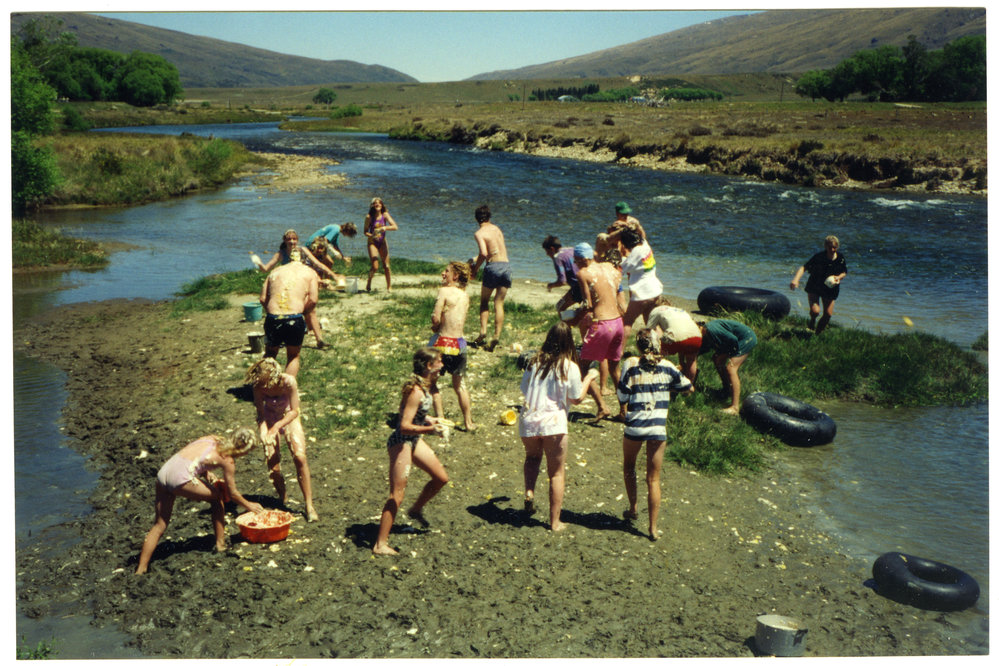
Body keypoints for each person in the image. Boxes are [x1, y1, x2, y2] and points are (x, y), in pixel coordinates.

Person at [136, 428, 264, 574]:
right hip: (179, 478)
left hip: (164, 473)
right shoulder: (228, 460)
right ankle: (220, 544)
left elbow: (196, 456)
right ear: (242, 448)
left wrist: (206, 472)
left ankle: (141, 569)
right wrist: (249, 505)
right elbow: (232, 493)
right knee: (217, 498)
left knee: (159, 524)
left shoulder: (211, 438)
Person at [519, 322, 600, 531]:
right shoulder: (570, 366)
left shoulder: (533, 362)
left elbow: (524, 389)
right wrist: (589, 378)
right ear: (568, 342)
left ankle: (529, 492)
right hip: (554, 423)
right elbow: (576, 398)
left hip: (529, 419)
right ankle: (554, 522)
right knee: (556, 473)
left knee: (532, 458)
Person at [617, 328, 693, 540]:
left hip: (635, 425)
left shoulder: (630, 364)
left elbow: (622, 395)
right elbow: (688, 387)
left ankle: (632, 508)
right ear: (659, 345)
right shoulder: (668, 367)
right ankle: (652, 528)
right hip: (657, 427)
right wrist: (670, 387)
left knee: (629, 466)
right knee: (654, 479)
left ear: (640, 346)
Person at [373, 348, 450, 555]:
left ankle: (416, 509)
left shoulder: (425, 387)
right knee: (396, 494)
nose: (442, 365)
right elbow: (404, 425)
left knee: (441, 478)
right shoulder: (416, 391)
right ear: (428, 365)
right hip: (402, 442)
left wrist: (430, 420)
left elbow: (414, 416)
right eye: (439, 361)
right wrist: (431, 429)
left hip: (414, 440)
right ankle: (380, 544)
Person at [245, 357, 319, 522]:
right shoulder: (258, 386)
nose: (264, 387)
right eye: (261, 385)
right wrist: (264, 432)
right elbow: (260, 415)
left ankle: (309, 505)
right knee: (274, 466)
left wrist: (277, 427)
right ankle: (283, 497)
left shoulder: (288, 382)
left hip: (288, 418)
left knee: (300, 457)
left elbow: (294, 411)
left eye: (266, 384)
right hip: (270, 418)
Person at [256, 229, 332, 349]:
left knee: (311, 310)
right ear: (284, 240)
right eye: (289, 239)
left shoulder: (302, 250)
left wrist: (332, 275)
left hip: (301, 283)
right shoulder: (281, 253)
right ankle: (280, 336)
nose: (292, 242)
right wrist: (260, 264)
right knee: (281, 308)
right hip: (286, 285)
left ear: (297, 240)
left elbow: (318, 264)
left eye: (294, 239)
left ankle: (319, 339)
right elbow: (266, 269)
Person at [574, 242, 624, 421]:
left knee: (583, 367)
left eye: (576, 260)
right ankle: (624, 411)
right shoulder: (610, 268)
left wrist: (575, 317)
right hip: (618, 323)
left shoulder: (583, 273)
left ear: (582, 259)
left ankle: (602, 407)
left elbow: (588, 304)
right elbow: (617, 293)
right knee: (615, 369)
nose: (575, 264)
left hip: (602, 324)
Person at [429, 261, 475, 432]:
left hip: (443, 342)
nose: (443, 273)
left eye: (446, 271)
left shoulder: (443, 291)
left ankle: (440, 419)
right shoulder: (465, 296)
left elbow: (436, 317)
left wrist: (435, 327)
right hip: (459, 343)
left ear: (455, 276)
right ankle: (468, 422)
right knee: (460, 385)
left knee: (432, 382)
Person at [260, 258, 319, 375]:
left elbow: (262, 299)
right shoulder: (309, 272)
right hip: (294, 317)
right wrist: (303, 312)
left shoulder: (275, 271)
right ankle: (287, 389)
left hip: (273, 317)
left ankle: (264, 387)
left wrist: (271, 313)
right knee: (293, 356)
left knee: (270, 354)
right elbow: (313, 299)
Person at [469, 205, 511, 352]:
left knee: (484, 302)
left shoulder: (479, 233)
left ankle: (483, 332)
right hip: (506, 266)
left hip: (493, 267)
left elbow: (484, 253)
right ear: (489, 217)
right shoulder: (497, 229)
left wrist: (474, 269)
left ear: (476, 219)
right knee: (499, 302)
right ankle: (497, 335)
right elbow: (495, 250)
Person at [697, 319, 757, 415]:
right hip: (734, 341)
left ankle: (735, 407)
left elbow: (733, 340)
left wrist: (724, 355)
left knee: (731, 368)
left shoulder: (711, 330)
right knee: (717, 359)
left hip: (745, 338)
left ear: (699, 328)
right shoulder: (705, 334)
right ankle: (726, 390)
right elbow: (702, 349)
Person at [790, 235, 848, 335]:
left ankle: (817, 334)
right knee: (816, 311)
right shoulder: (819, 257)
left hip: (830, 288)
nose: (832, 249)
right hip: (815, 285)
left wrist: (838, 277)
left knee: (828, 315)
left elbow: (844, 272)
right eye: (830, 247)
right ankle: (812, 320)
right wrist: (795, 280)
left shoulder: (840, 258)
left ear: (837, 247)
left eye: (834, 247)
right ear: (825, 246)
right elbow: (804, 268)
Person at [618, 227, 663, 347]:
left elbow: (620, 270)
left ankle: (617, 352)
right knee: (651, 323)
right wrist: (634, 225)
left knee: (627, 322)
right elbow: (642, 234)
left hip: (642, 295)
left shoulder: (635, 253)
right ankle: (658, 350)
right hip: (655, 291)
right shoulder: (645, 245)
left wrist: (618, 249)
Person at [645, 296, 702, 383]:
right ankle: (688, 388)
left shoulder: (656, 310)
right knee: (691, 361)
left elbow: (649, 331)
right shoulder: (680, 310)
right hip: (696, 336)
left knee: (658, 355)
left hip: (676, 336)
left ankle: (654, 380)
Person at [364, 197, 399, 292]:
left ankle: (389, 287)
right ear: (372, 206)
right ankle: (369, 281)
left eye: (379, 203)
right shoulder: (369, 217)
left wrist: (384, 228)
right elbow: (365, 232)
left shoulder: (385, 215)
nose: (377, 205)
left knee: (386, 266)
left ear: (382, 205)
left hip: (382, 242)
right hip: (372, 242)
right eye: (375, 203)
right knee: (375, 266)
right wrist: (372, 235)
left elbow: (395, 227)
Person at [542, 235, 582, 314]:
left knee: (560, 307)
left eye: (547, 251)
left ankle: (568, 324)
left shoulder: (558, 257)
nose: (547, 254)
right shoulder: (571, 249)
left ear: (552, 249)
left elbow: (562, 281)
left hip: (578, 287)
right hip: (588, 282)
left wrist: (551, 285)